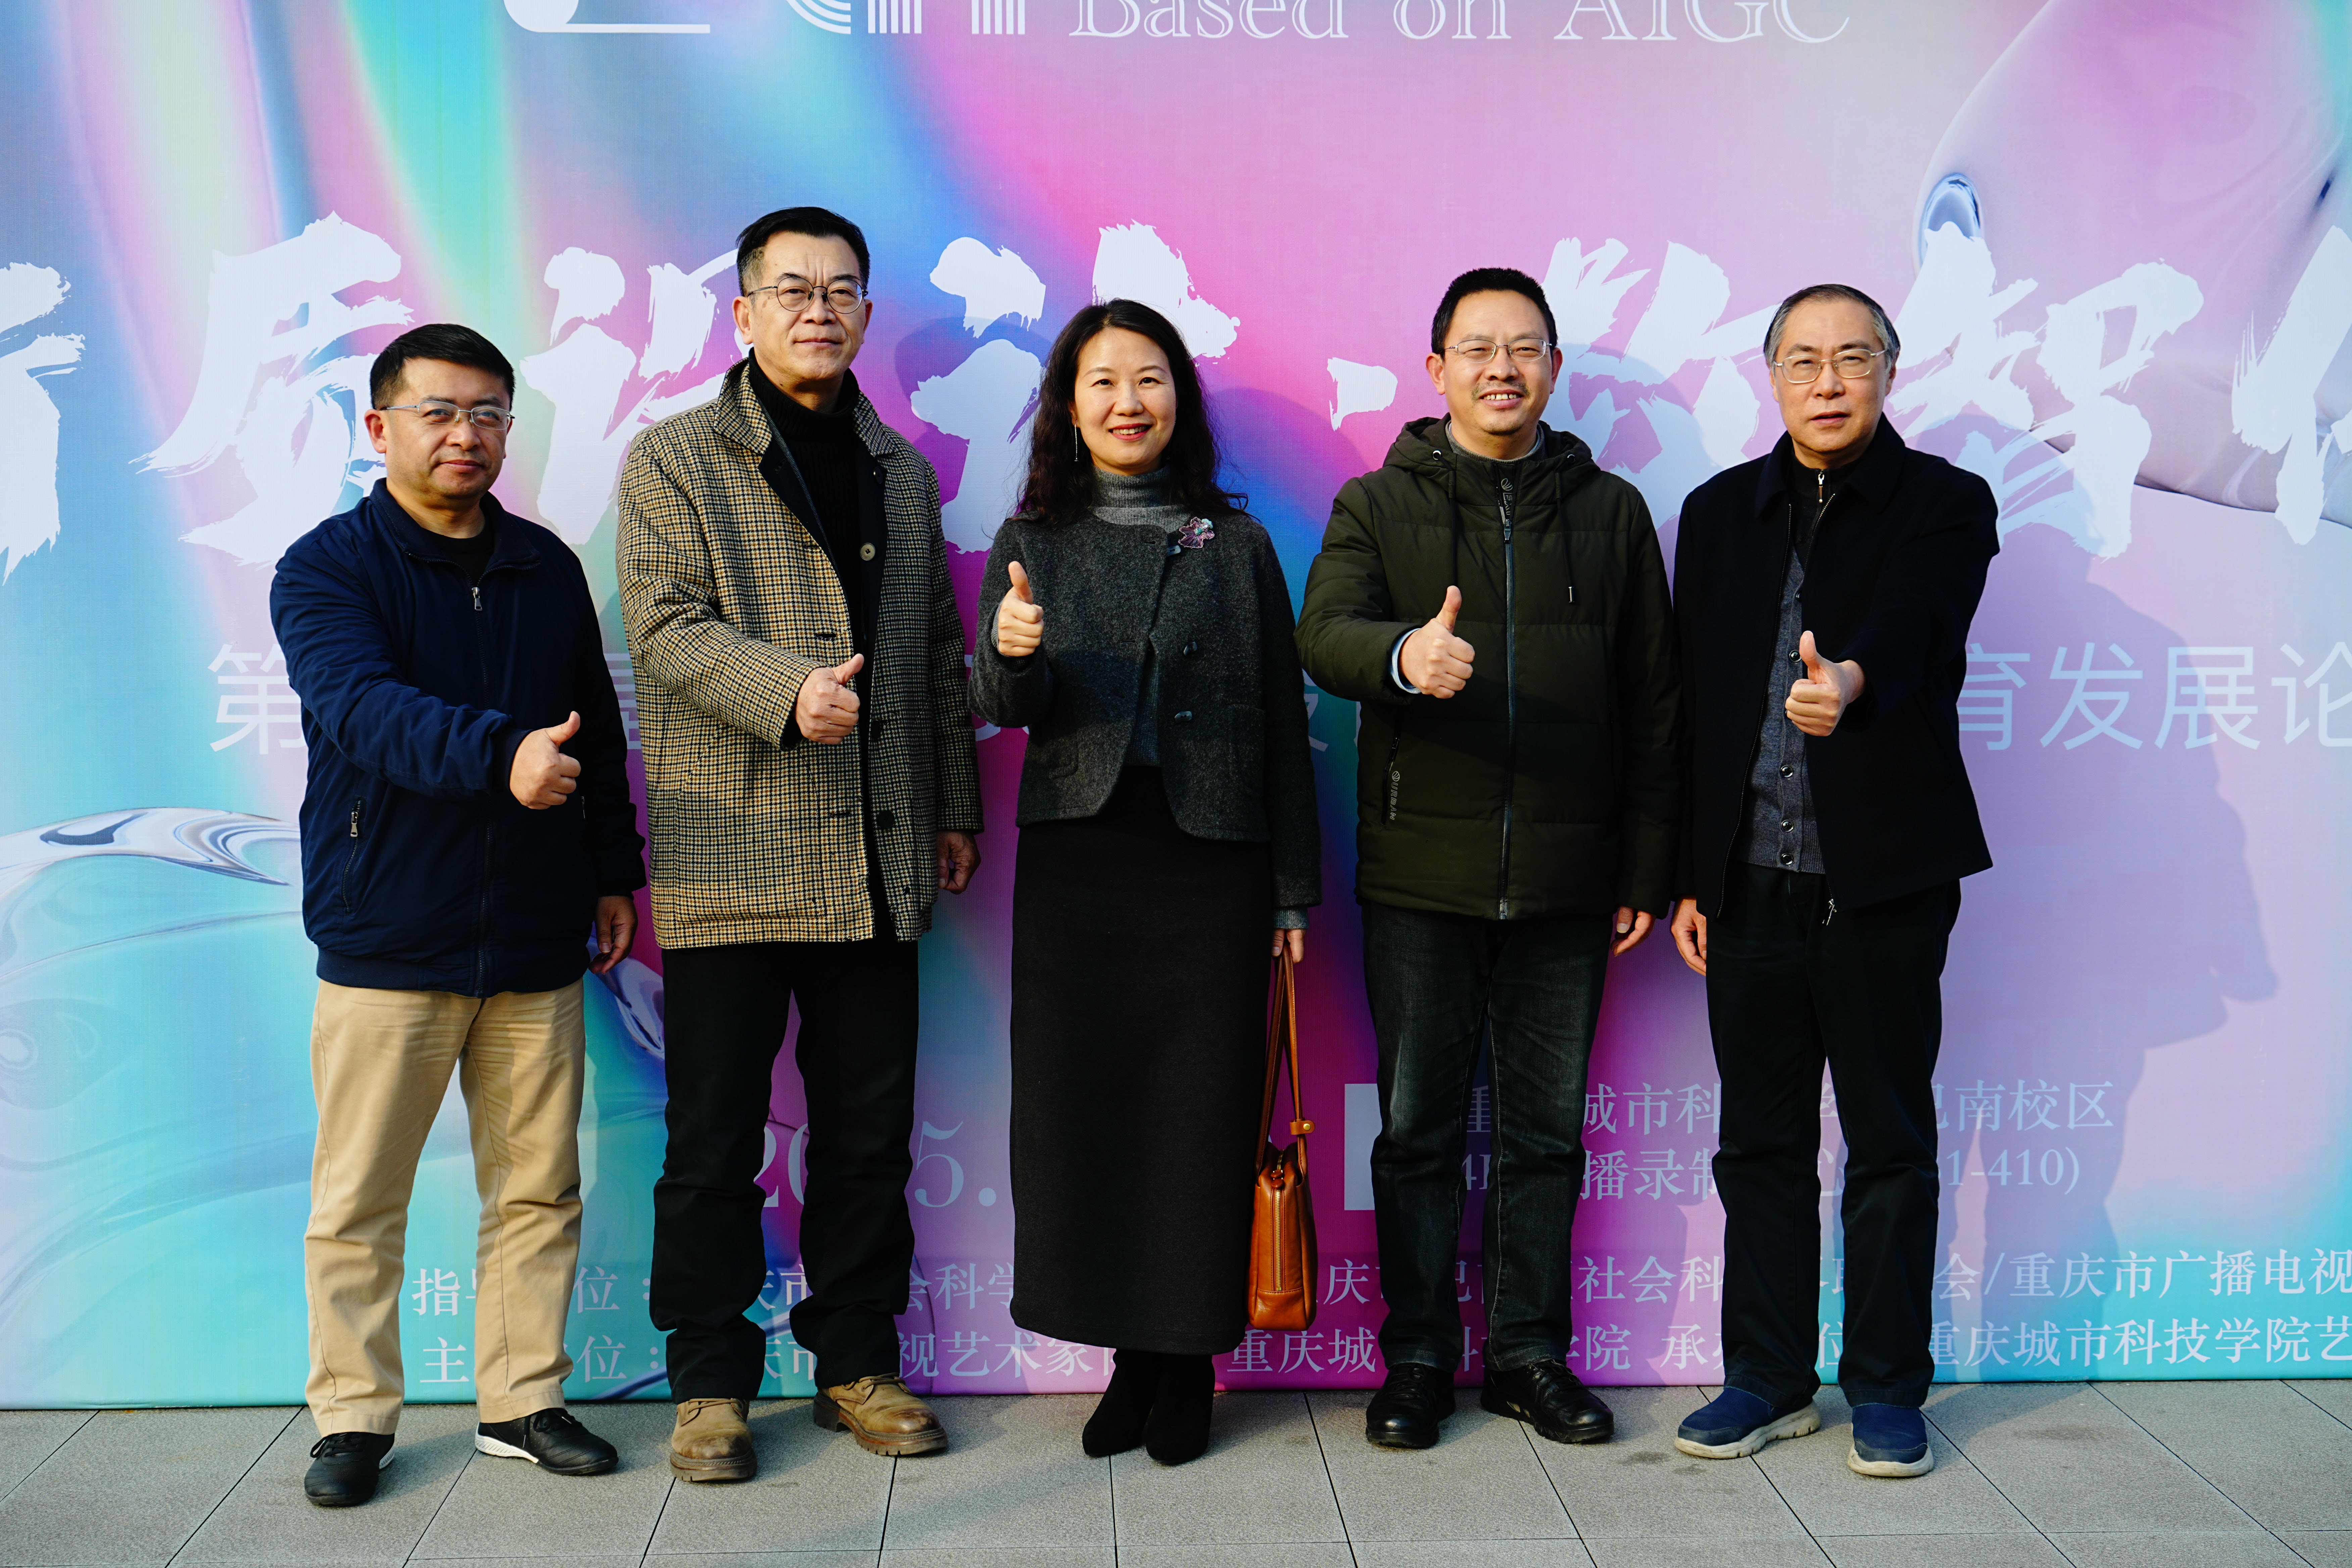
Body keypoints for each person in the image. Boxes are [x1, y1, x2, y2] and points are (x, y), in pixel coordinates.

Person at [617, 206, 983, 1478]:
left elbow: (933, 653)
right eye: (791, 289)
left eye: (839, 291)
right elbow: (663, 624)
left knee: (868, 1135)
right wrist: (787, 690)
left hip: (877, 852)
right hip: (732, 849)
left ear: (866, 314)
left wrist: (952, 806)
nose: (817, 310)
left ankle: (857, 1365)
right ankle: (710, 1382)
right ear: (743, 312)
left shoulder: (901, 473)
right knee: (715, 1137)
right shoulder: (675, 458)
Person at [1295, 268, 1679, 1451]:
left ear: (1554, 369)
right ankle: (1416, 1360)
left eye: (1524, 348)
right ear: (1437, 369)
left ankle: (1526, 1358)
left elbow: (1656, 701)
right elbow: (1325, 633)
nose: (1501, 368)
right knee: (1417, 1132)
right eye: (1478, 348)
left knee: (1543, 1138)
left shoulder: (1611, 513)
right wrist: (1405, 656)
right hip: (1423, 874)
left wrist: (1643, 869)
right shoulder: (1377, 502)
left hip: (1570, 880)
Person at [271, 323, 645, 1508]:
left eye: (488, 414)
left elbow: (595, 727)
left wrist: (611, 870)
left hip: (535, 933)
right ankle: (351, 1418)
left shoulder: (543, 566)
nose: (465, 436)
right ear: (379, 426)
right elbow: (363, 709)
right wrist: (500, 755)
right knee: (360, 1199)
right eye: (438, 412)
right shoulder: (327, 568)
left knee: (537, 1190)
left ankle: (522, 1402)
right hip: (388, 930)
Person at [970, 299, 1320, 1466]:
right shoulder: (1033, 540)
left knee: (1199, 1115)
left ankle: (1189, 1362)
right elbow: (1006, 705)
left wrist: (1291, 892)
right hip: (1082, 866)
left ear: (1181, 399)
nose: (1130, 402)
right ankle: (1130, 1357)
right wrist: (1010, 655)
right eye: (1104, 382)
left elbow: (1281, 725)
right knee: (1091, 1113)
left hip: (1211, 865)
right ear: (1069, 408)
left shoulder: (1240, 544)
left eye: (1151, 379)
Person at [1667, 284, 1998, 1479]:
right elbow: (1695, 703)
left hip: (1884, 878)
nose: (1828, 381)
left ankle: (1889, 1390)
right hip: (1748, 880)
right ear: (1772, 377)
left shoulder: (1946, 502)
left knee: (1890, 1143)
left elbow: (1920, 624)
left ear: (1889, 374)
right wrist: (1689, 875)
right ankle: (1766, 1377)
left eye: (1853, 358)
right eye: (1803, 360)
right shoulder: (1718, 513)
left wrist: (1850, 682)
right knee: (1757, 1145)